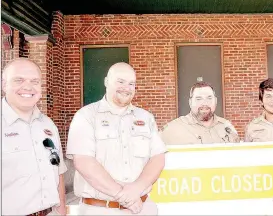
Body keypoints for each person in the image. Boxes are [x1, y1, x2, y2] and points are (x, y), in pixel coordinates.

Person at [66, 62, 167, 215]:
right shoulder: (86, 116)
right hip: (100, 210)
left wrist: (136, 189)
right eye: (120, 81)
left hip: (142, 208)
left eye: (131, 83)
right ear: (107, 82)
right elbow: (84, 162)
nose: (126, 88)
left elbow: (158, 159)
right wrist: (123, 195)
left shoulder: (146, 118)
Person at [1, 58, 67, 216]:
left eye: (35, 81)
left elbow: (58, 171)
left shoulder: (48, 125)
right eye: (19, 80)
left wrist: (62, 210)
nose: (28, 87)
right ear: (4, 85)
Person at [161, 81, 239, 145]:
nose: (204, 103)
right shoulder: (172, 129)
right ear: (190, 102)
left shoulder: (227, 127)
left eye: (209, 98)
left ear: (215, 101)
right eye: (198, 99)